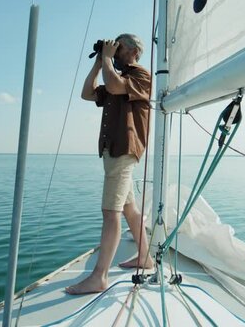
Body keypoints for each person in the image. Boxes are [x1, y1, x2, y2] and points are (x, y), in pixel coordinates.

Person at [65, 33, 153, 295]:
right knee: (129, 210)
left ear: (134, 51)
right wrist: (99, 62)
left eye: (120, 47)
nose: (116, 51)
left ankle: (99, 276)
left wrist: (106, 59)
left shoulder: (140, 76)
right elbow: (86, 93)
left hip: (124, 150)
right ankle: (145, 257)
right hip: (113, 150)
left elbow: (114, 86)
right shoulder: (114, 74)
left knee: (110, 212)